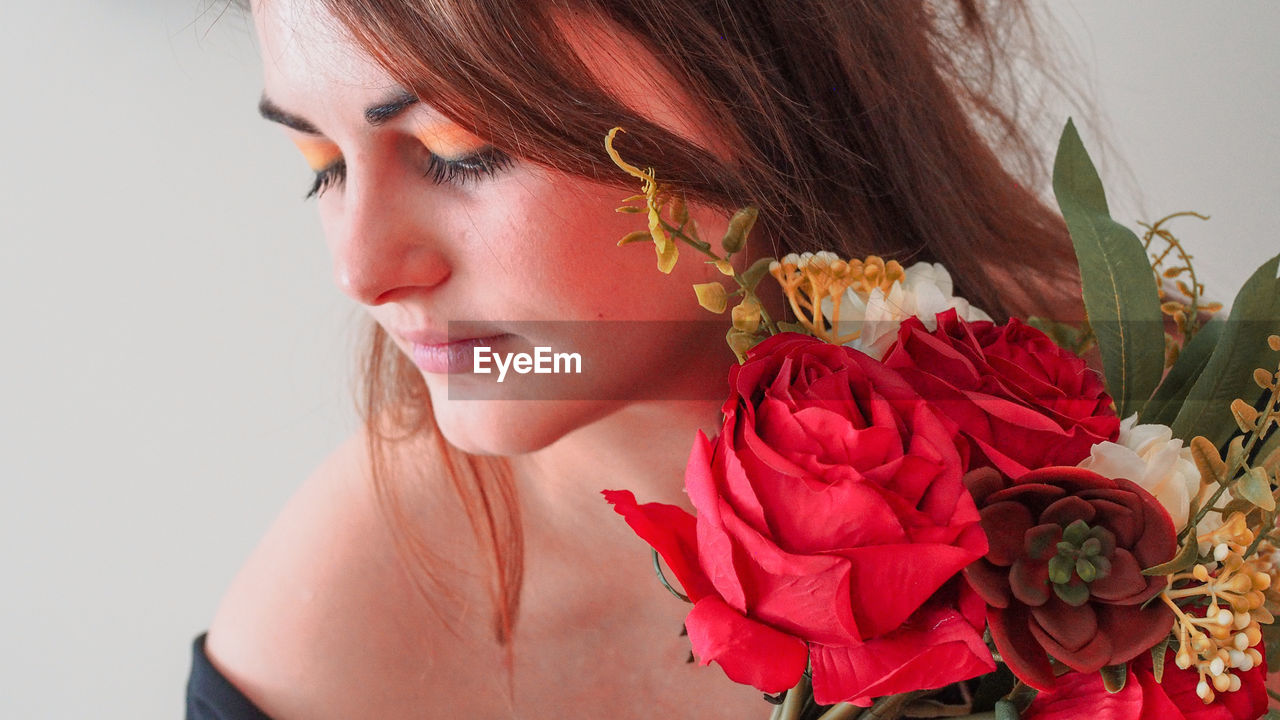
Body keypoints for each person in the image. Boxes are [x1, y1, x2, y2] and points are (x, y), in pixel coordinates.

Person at [186, 0, 1086, 717]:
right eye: (322, 163)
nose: (360, 270)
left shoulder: (1155, 431)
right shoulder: (326, 646)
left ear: (770, 67)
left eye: (457, 151)